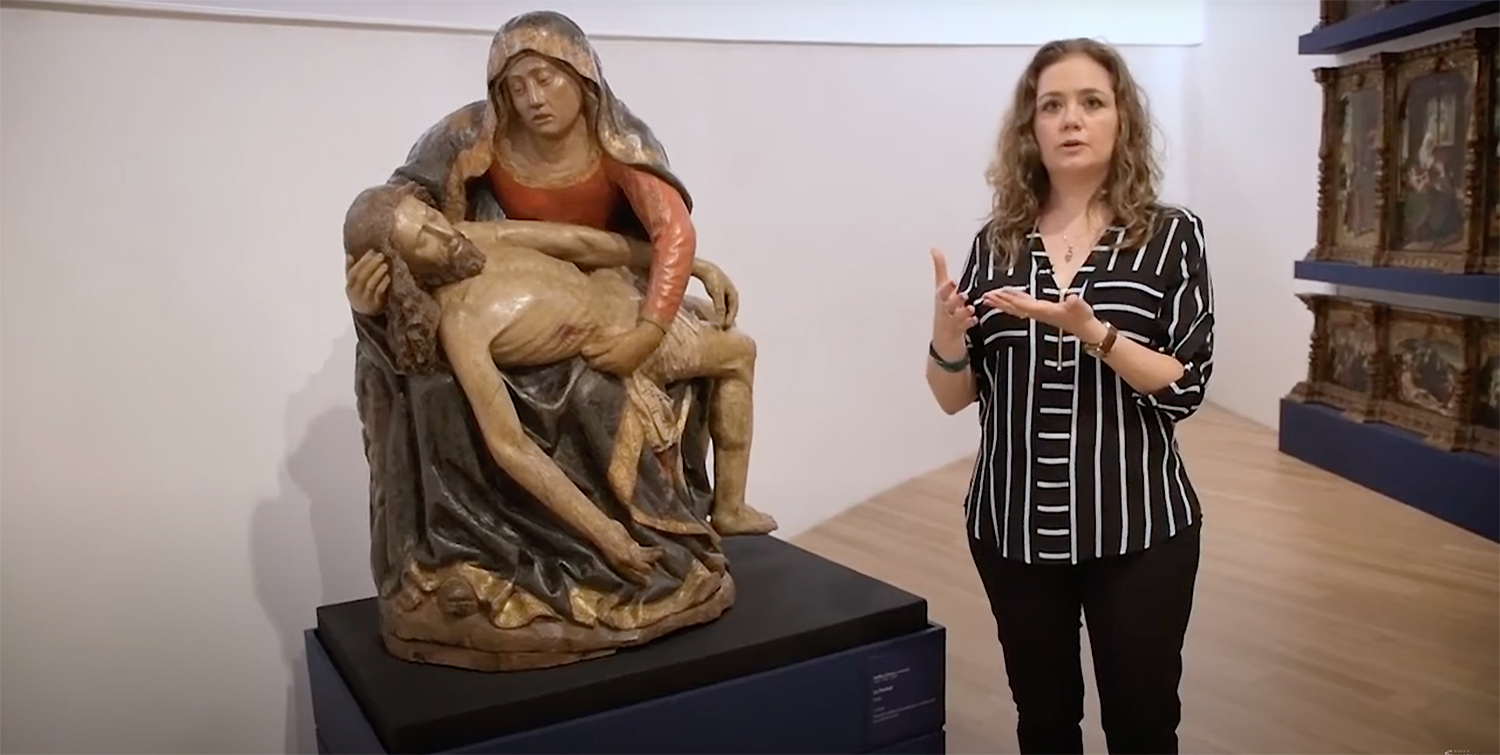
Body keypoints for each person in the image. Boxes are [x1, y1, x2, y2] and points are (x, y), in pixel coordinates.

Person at [925, 38, 1213, 754]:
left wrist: (1095, 332)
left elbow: (1185, 386)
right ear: (1031, 127)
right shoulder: (997, 243)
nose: (1071, 119)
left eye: (1091, 102)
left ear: (1122, 120)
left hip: (1138, 529)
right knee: (1045, 724)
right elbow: (954, 396)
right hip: (1013, 528)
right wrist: (946, 335)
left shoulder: (1171, 236)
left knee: (1143, 725)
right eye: (1051, 105)